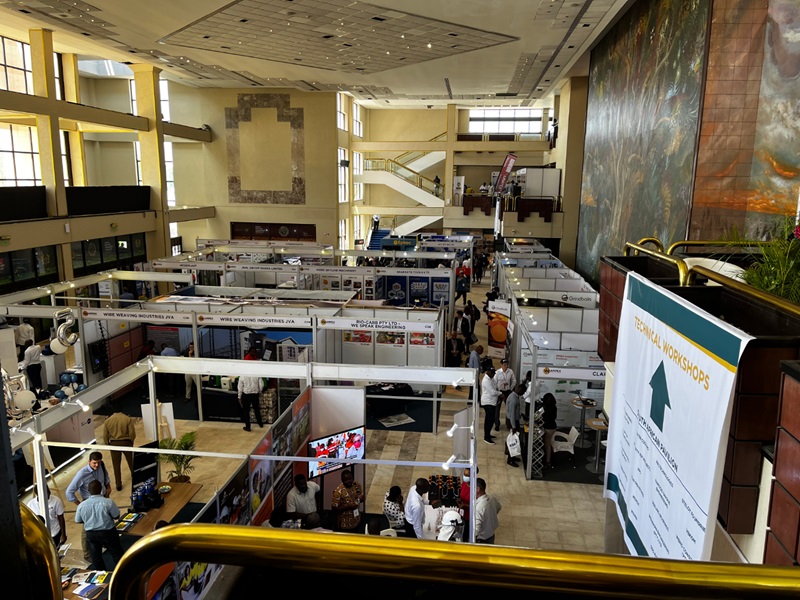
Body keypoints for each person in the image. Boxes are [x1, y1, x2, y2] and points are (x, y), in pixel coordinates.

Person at [75, 479, 123, 570]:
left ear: (89, 491)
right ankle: (121, 571)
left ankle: (101, 575)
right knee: (116, 553)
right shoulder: (108, 502)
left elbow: (78, 520)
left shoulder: (81, 506)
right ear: (101, 489)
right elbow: (116, 516)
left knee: (96, 556)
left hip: (91, 534)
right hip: (108, 532)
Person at [102, 402, 136, 491]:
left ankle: (118, 484)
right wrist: (131, 441)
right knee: (131, 462)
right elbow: (132, 433)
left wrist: (108, 444)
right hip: (126, 442)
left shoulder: (108, 421)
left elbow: (105, 435)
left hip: (114, 444)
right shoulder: (127, 419)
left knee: (116, 465)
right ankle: (135, 478)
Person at [474, 478, 501, 544]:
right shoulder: (492, 499)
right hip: (491, 535)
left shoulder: (479, 508)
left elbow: (476, 531)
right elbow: (499, 507)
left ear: (478, 489)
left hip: (481, 540)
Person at [494, 358, 517, 431]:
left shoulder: (510, 371)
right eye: (504, 365)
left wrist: (511, 387)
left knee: (509, 408)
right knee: (497, 408)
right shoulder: (497, 372)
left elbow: (514, 380)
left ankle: (509, 424)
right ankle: (497, 424)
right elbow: (494, 382)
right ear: (501, 365)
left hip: (507, 391)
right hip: (500, 392)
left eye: (507, 365)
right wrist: (497, 390)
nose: (506, 366)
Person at [505, 384, 524, 468]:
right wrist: (513, 426)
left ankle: (513, 456)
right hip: (512, 422)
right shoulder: (513, 399)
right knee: (513, 441)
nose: (523, 394)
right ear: (519, 390)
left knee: (515, 440)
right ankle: (510, 459)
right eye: (523, 392)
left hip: (513, 420)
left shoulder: (514, 396)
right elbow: (512, 414)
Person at [480, 366, 501, 444]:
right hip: (487, 402)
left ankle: (488, 434)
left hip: (492, 402)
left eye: (494, 373)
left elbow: (495, 387)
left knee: (491, 419)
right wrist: (500, 394)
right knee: (489, 420)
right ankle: (486, 437)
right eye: (492, 373)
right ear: (488, 372)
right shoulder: (486, 380)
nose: (494, 374)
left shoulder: (491, 379)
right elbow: (492, 392)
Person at [542, 393, 558, 469]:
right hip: (552, 427)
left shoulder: (548, 409)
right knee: (547, 443)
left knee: (547, 444)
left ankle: (548, 461)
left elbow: (546, 418)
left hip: (549, 428)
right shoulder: (554, 407)